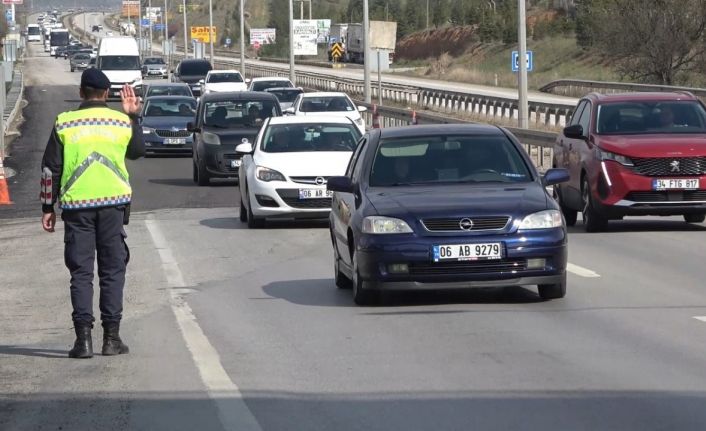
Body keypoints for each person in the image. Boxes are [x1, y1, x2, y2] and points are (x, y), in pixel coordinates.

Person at [40, 69, 145, 359]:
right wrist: (133, 116)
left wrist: (48, 208)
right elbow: (137, 152)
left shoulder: (65, 123)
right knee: (112, 271)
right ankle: (111, 339)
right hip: (113, 207)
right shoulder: (121, 121)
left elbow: (50, 170)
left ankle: (83, 341)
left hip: (76, 209)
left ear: (81, 92)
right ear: (106, 93)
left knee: (81, 273)